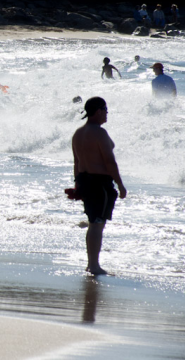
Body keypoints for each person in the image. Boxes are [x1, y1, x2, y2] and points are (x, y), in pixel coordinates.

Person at [71, 97, 126, 275]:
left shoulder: (78, 133)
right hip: (99, 183)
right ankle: (93, 265)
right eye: (105, 110)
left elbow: (76, 163)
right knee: (97, 224)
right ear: (98, 111)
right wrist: (120, 184)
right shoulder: (100, 133)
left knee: (93, 223)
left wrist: (78, 184)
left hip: (85, 180)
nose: (107, 114)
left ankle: (92, 263)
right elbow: (110, 162)